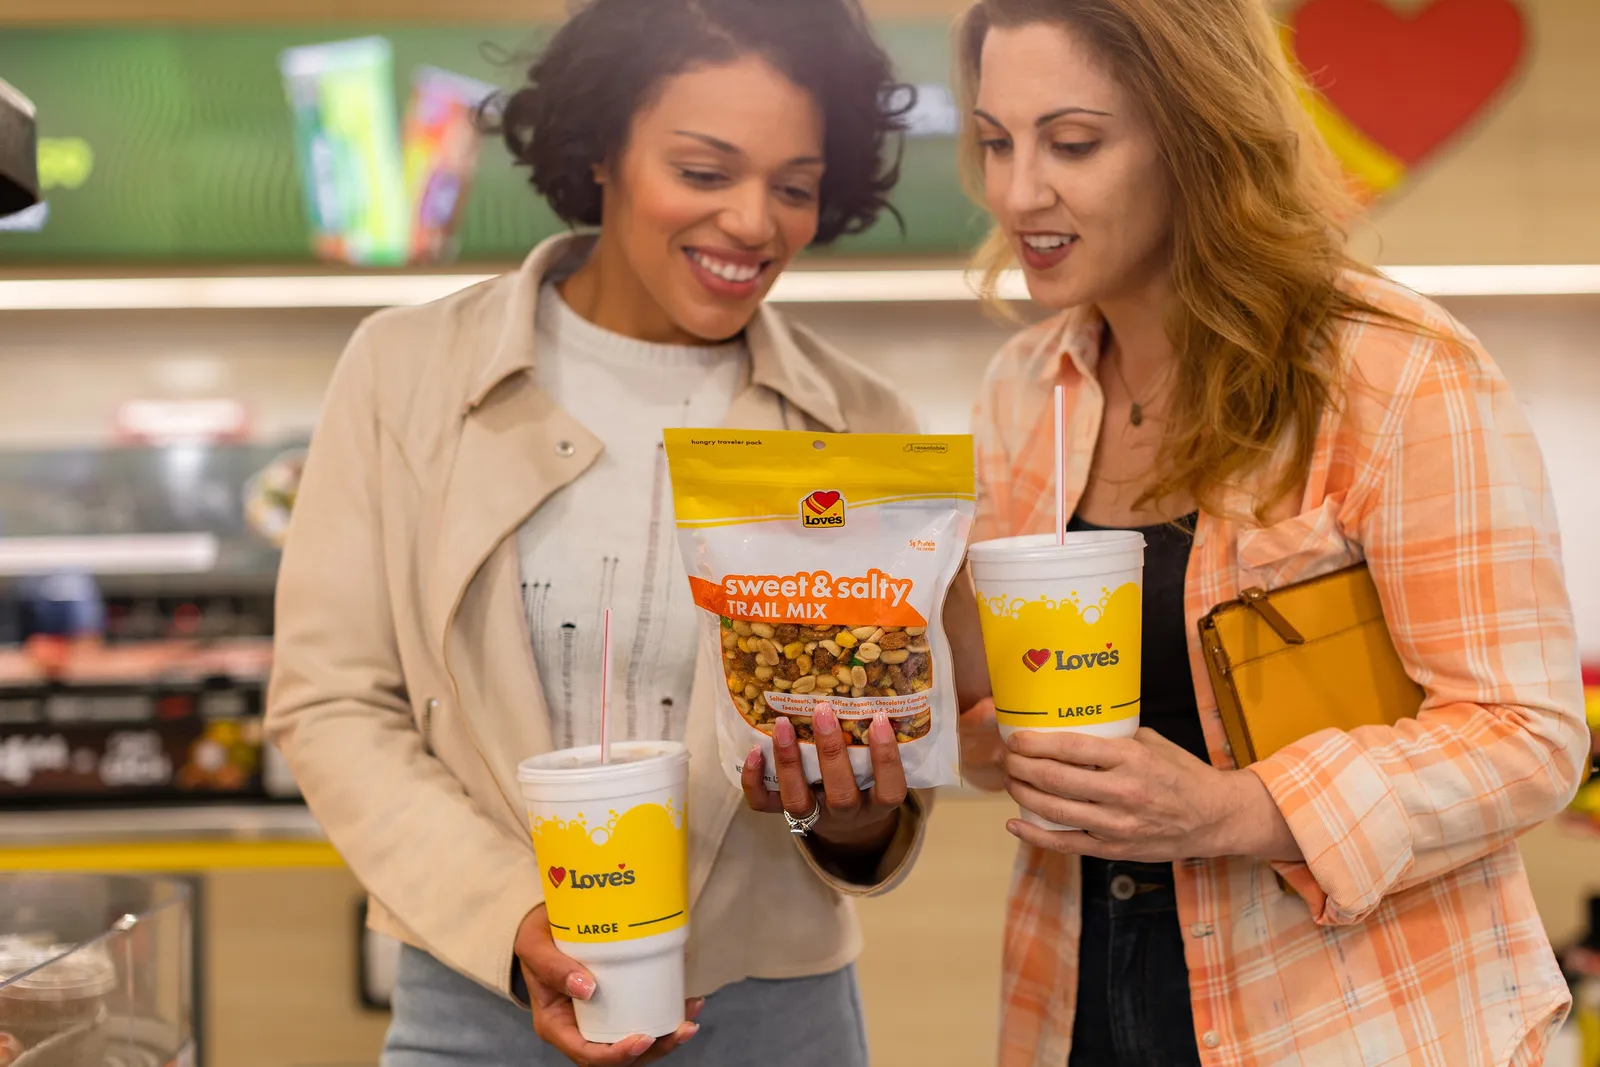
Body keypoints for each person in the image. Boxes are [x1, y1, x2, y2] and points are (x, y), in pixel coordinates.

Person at [265, 2, 929, 1064]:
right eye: (705, 172)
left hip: (772, 1016)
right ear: (600, 150)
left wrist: (852, 814)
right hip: (478, 1002)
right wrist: (513, 912)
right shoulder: (407, 373)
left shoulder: (860, 425)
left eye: (793, 186)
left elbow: (886, 747)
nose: (755, 223)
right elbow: (334, 698)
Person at [943, 1, 1590, 1064]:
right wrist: (928, 733)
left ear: (1197, 139)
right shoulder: (1026, 390)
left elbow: (1526, 733)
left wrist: (1230, 808)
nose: (1017, 193)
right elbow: (1022, 712)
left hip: (1354, 1014)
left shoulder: (1393, 369)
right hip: (1082, 992)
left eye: (1072, 143)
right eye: (993, 142)